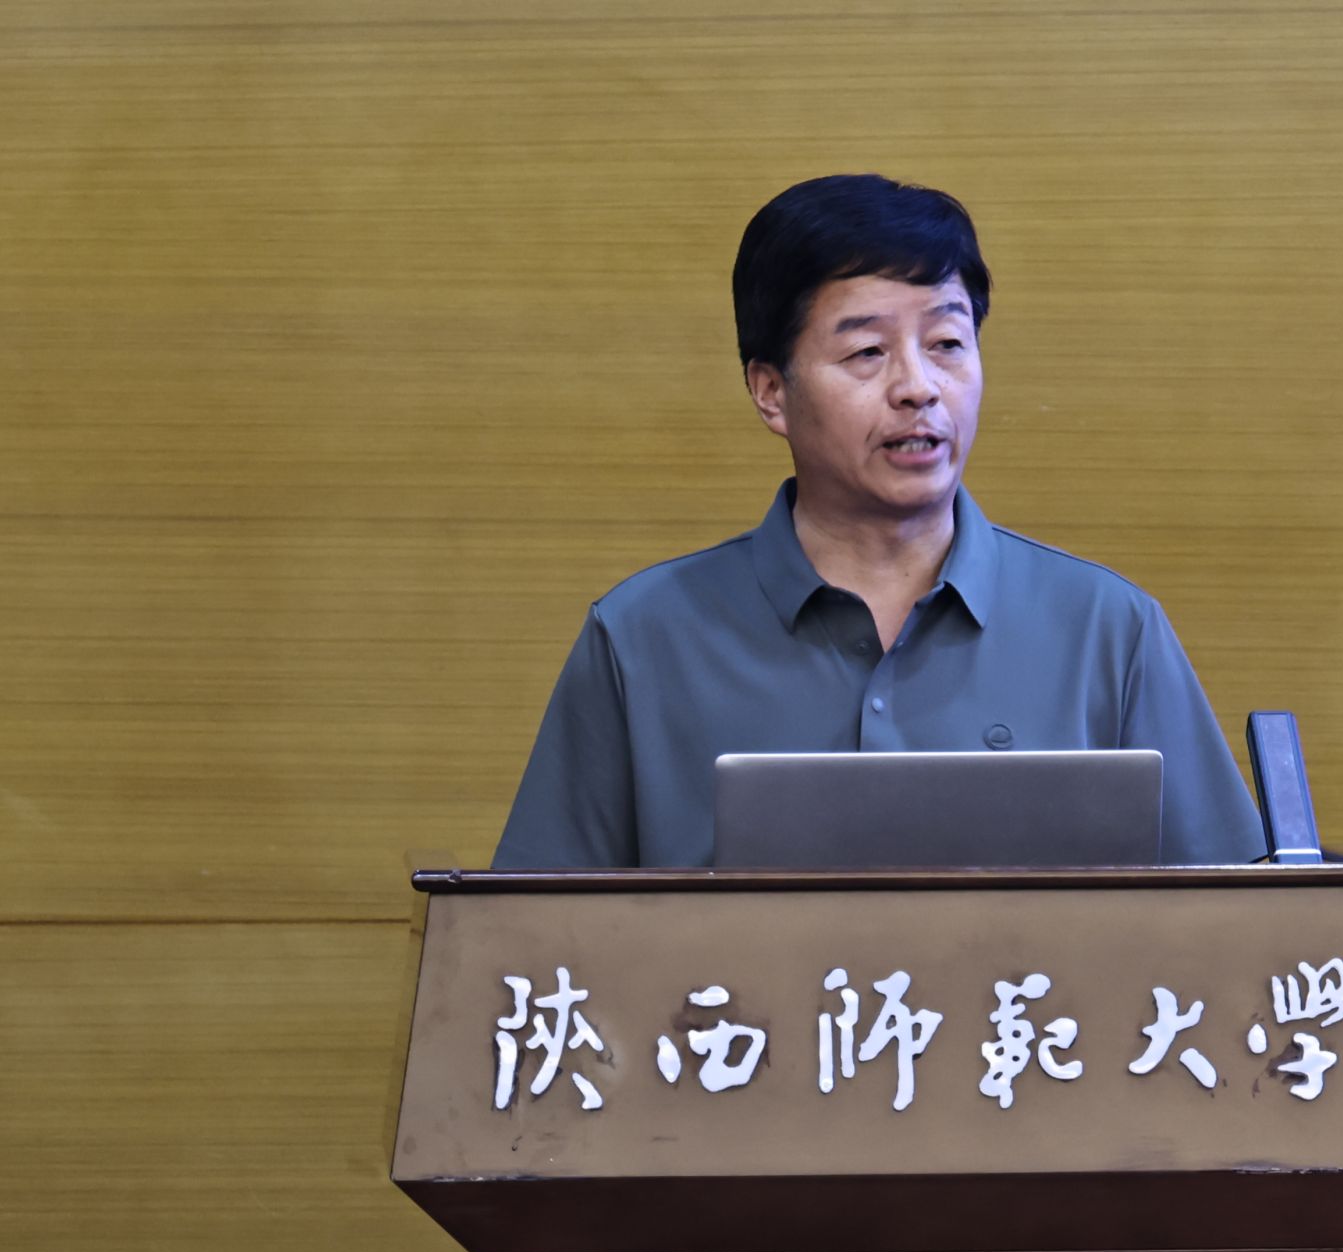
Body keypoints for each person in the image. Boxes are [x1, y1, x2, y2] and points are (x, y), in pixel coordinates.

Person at [493, 174, 1264, 868]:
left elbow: (1238, 927)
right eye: (867, 352)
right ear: (770, 391)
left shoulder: (1108, 629)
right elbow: (537, 944)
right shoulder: (642, 639)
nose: (918, 388)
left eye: (947, 344)